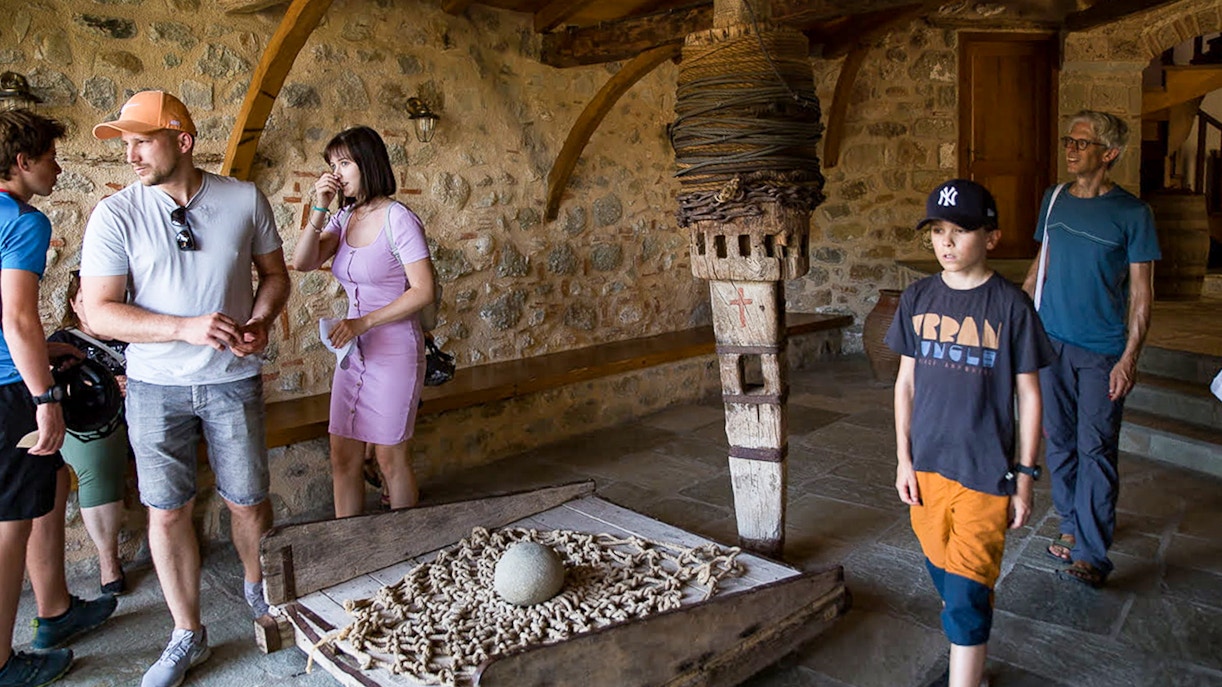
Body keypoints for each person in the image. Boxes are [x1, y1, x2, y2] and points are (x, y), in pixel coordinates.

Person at [79, 91, 290, 687]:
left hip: (232, 381)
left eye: (142, 141)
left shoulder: (244, 199)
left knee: (248, 499)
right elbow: (99, 313)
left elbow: (274, 276)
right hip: (154, 388)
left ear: (183, 140)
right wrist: (184, 327)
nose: (131, 155)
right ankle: (186, 634)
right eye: (125, 144)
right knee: (166, 512)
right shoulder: (115, 214)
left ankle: (261, 593)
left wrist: (261, 321)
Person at [887, 179, 1052, 687]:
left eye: (961, 231)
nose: (947, 242)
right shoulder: (917, 297)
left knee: (963, 596)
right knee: (948, 577)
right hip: (928, 467)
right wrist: (903, 459)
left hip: (985, 471)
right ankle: (972, 655)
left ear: (992, 238)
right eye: (938, 230)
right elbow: (906, 384)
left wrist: (1024, 477)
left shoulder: (1010, 308)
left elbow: (1029, 395)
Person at [1, 109, 117, 687]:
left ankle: (56, 611)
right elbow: (15, 315)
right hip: (7, 388)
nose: (58, 166)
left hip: (9, 369)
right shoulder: (23, 222)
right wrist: (44, 394)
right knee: (8, 522)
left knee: (45, 490)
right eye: (50, 156)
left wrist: (43, 346)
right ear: (23, 162)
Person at [1021, 111, 1160, 588]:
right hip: (1050, 342)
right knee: (1058, 441)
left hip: (1101, 350)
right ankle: (1072, 524)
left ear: (1109, 153)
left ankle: (1092, 554)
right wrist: (1016, 322)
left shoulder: (1132, 214)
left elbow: (1142, 293)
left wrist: (1130, 357)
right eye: (1069, 140)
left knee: (1095, 447)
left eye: (1082, 142)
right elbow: (1039, 267)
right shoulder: (1054, 198)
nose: (1071, 148)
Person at [291, 125, 434, 518]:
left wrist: (363, 322)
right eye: (331, 165)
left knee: (390, 459)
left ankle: (406, 548)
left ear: (367, 164)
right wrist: (319, 208)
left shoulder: (399, 218)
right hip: (354, 353)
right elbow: (303, 262)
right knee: (343, 457)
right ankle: (350, 549)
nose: (336, 173)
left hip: (395, 351)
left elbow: (423, 291)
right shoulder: (344, 217)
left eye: (344, 163)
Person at [48, 270, 130, 596]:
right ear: (75, 304)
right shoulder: (62, 343)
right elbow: (59, 394)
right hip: (89, 426)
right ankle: (108, 560)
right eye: (87, 299)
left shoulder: (134, 333)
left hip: (139, 414)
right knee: (98, 456)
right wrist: (110, 387)